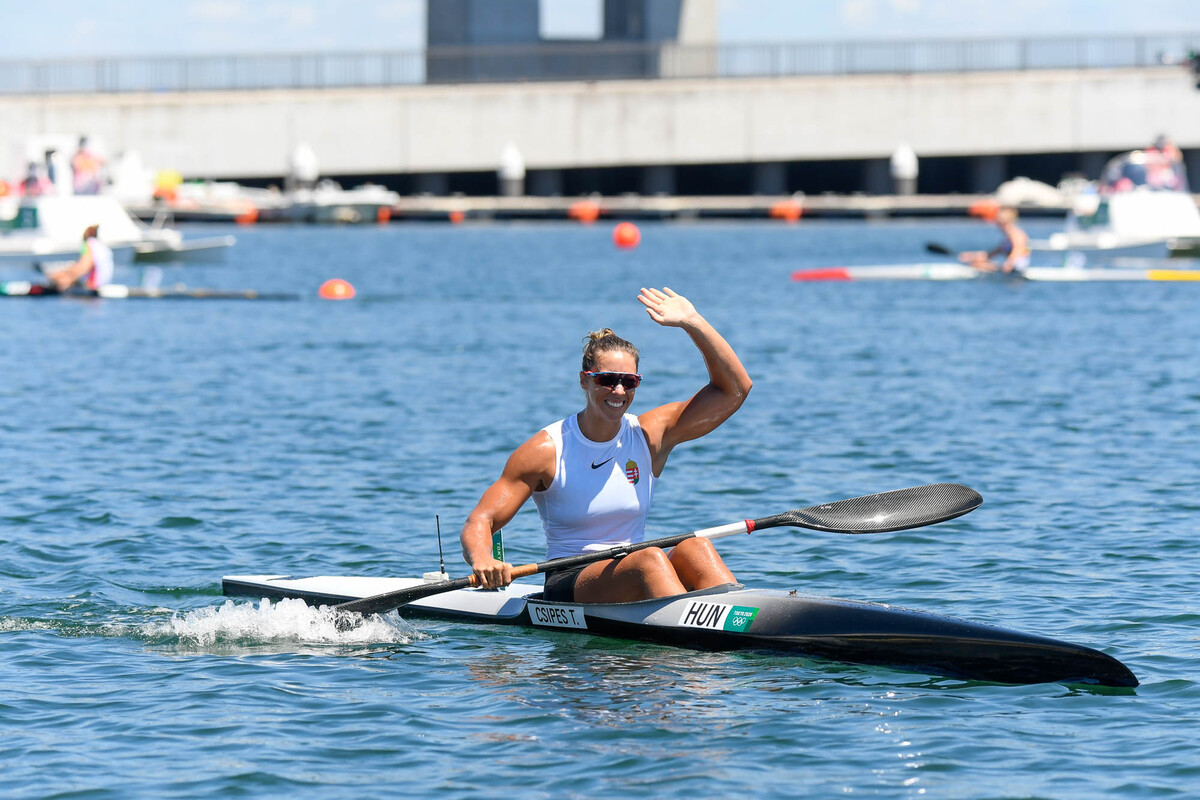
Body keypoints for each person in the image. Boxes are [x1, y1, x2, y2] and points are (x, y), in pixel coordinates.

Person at [460, 287, 753, 604]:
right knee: (650, 560)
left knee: (696, 547)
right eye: (606, 379)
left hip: (635, 568)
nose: (618, 391)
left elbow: (735, 389)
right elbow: (481, 520)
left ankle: (744, 622)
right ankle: (692, 643)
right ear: (585, 380)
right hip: (570, 577)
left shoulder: (648, 434)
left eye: (629, 382)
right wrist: (483, 561)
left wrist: (693, 322)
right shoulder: (547, 450)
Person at [959, 206, 1031, 274]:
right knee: (976, 263)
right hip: (1012, 265)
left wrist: (1009, 263)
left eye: (999, 220)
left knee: (977, 265)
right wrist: (971, 256)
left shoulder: (1016, 234)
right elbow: (992, 254)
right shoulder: (1007, 238)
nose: (997, 223)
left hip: (1016, 267)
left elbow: (1018, 250)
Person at [46, 225, 114, 291]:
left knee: (63, 280)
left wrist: (60, 274)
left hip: (93, 286)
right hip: (104, 283)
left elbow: (84, 267)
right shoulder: (101, 246)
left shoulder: (88, 245)